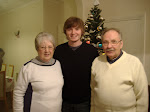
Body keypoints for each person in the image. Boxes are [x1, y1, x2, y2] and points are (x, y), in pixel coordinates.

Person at [91, 28, 148, 112]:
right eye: (105, 42)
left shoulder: (134, 63)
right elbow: (93, 90)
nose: (109, 46)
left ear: (121, 44)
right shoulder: (97, 62)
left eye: (114, 41)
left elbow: (142, 96)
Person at [53, 16, 99, 112]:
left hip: (84, 102)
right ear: (65, 31)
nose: (73, 32)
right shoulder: (59, 50)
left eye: (77, 29)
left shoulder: (91, 51)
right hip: (63, 101)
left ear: (82, 31)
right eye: (70, 29)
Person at [13, 32, 64, 112]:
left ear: (54, 48)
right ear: (37, 49)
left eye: (50, 47)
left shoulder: (57, 64)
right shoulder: (28, 68)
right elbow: (18, 93)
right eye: (43, 47)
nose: (47, 50)